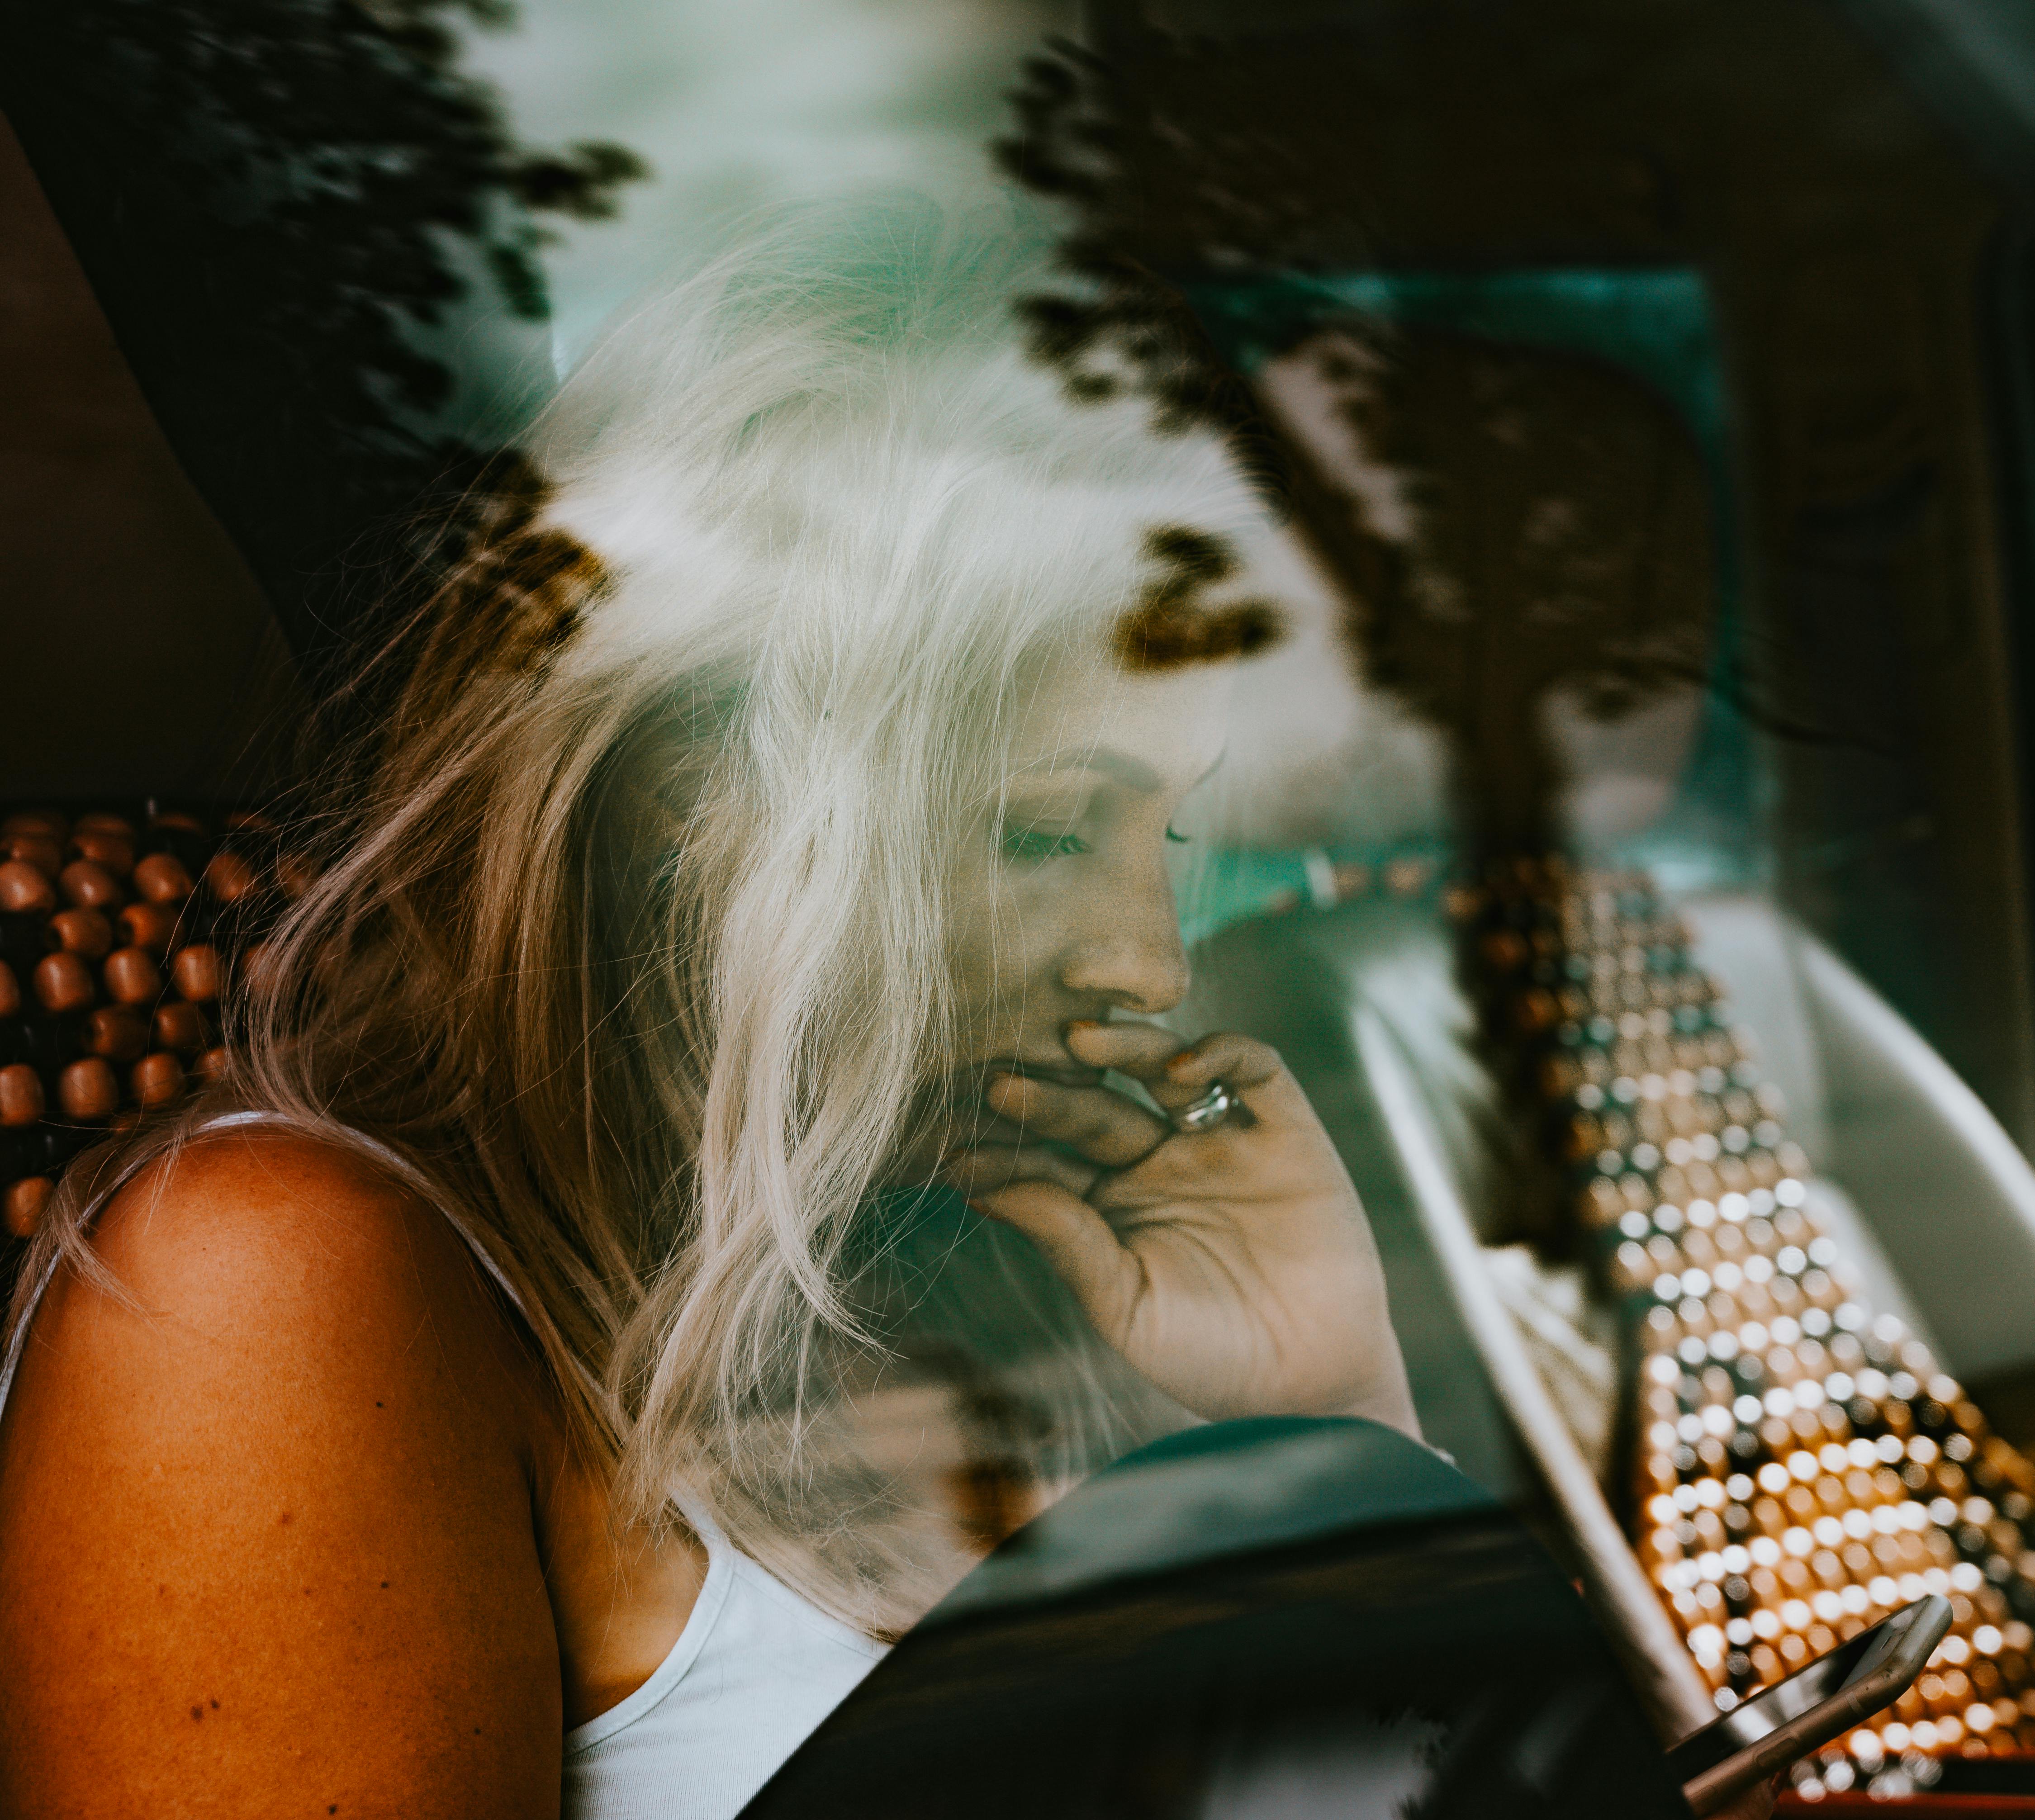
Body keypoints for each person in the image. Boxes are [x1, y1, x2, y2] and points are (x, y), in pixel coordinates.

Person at [0, 220, 1418, 1819]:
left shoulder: (1019, 1264)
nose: (1152, 970)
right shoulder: (276, 1286)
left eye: (1169, 830)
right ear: (697, 784)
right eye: (1039, 830)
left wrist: (1332, 1413)